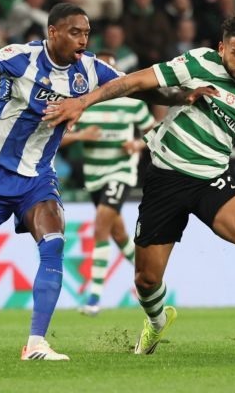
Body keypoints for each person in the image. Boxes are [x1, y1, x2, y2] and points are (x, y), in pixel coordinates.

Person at [0, 3, 213, 361]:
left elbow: (134, 86)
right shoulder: (22, 58)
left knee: (53, 244)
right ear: (53, 32)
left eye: (86, 33)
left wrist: (182, 96)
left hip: (38, 177)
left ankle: (36, 343)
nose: (83, 40)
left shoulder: (89, 69)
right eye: (75, 32)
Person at [43, 13, 235, 357]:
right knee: (146, 280)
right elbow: (135, 82)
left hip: (212, 180)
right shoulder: (198, 62)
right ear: (222, 48)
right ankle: (157, 321)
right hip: (166, 178)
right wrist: (83, 101)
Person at [60, 51, 156, 316]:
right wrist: (81, 136)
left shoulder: (132, 103)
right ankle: (152, 279)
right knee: (119, 234)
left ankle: (94, 297)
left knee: (101, 225)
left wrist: (137, 144)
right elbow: (56, 137)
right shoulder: (83, 103)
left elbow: (155, 131)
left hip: (121, 173)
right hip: (94, 177)